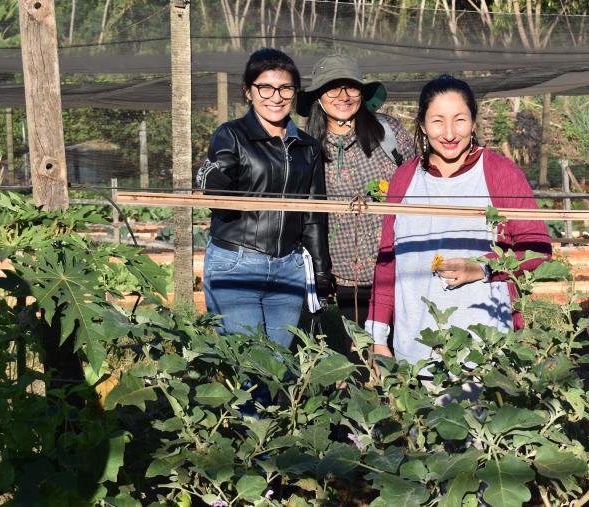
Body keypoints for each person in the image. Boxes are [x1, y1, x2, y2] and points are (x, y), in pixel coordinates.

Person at [364, 75, 552, 365]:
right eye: (438, 121)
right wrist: (376, 337)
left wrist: (483, 268)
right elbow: (388, 261)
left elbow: (538, 250)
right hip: (414, 348)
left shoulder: (499, 173)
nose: (449, 133)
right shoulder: (404, 179)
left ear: (474, 123)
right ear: (423, 125)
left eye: (460, 120)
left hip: (485, 348)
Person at [196, 47, 334, 349]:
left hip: (289, 267)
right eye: (266, 87)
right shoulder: (231, 135)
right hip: (237, 264)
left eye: (285, 88)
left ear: (295, 92)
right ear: (249, 91)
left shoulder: (307, 147)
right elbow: (217, 181)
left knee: (279, 369)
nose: (276, 96)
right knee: (250, 365)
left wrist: (321, 270)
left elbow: (314, 214)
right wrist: (215, 177)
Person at [297, 55, 414, 331]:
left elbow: (416, 183)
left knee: (402, 347)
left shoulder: (388, 131)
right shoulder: (307, 147)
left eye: (351, 87)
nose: (343, 96)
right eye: (332, 88)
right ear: (318, 97)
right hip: (345, 272)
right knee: (359, 350)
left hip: (397, 262)